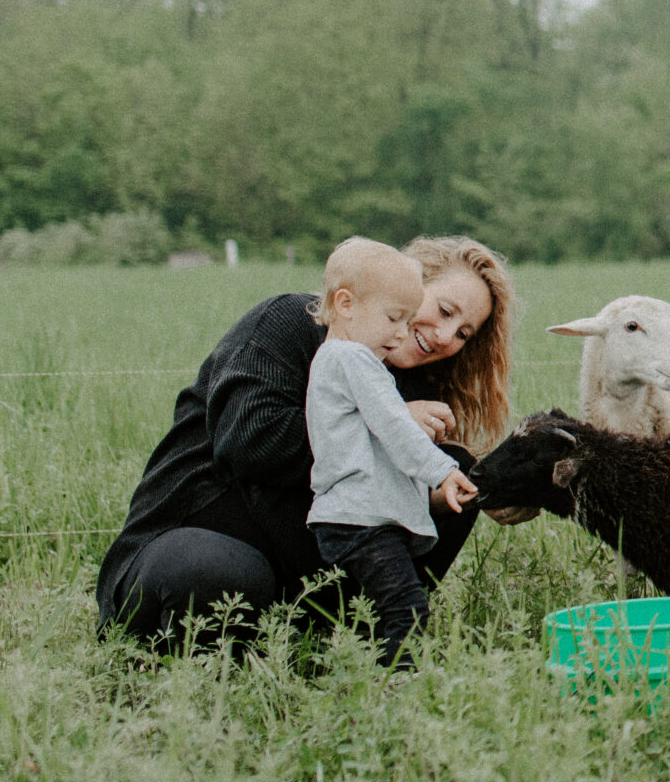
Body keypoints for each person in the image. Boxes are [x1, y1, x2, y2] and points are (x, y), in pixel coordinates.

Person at [96, 235, 521, 650]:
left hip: (297, 569)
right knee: (223, 575)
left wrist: (465, 491)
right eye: (444, 310)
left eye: (463, 333)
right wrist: (381, 425)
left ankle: (357, 633)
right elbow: (249, 442)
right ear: (406, 284)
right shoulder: (292, 323)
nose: (446, 336)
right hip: (198, 534)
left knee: (457, 474)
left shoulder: (408, 388)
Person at [304, 239, 483, 666]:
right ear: (345, 305)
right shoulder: (354, 360)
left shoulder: (333, 358)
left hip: (351, 517)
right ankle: (400, 688)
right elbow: (395, 427)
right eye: (393, 318)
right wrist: (443, 470)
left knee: (382, 609)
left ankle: (360, 672)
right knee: (407, 609)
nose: (402, 333)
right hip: (362, 520)